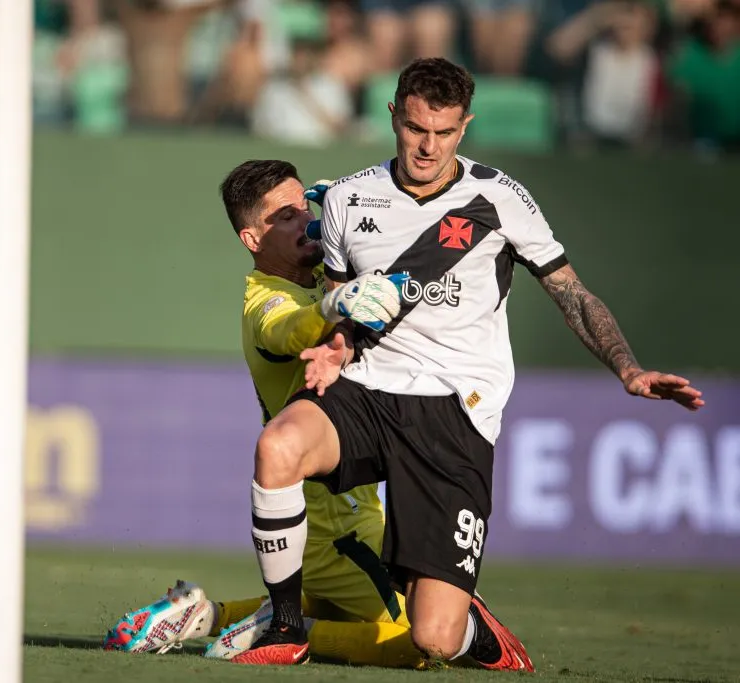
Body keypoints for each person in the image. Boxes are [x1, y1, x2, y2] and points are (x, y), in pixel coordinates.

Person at [234, 57, 705, 668]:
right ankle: (285, 630)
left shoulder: (499, 198)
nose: (427, 147)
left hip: (456, 412)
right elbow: (348, 303)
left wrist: (628, 368)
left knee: (432, 637)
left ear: (466, 126)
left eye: (444, 132)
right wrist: (336, 345)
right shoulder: (350, 199)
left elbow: (572, 292)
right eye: (414, 128)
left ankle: (481, 638)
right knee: (278, 448)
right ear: (393, 116)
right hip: (370, 391)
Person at [101, 159, 447, 668]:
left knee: (432, 617)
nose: (305, 220)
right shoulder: (263, 300)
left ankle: (207, 616)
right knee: (428, 644)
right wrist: (336, 306)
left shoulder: (329, 275)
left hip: (362, 512)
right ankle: (286, 627)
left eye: (304, 206)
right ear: (251, 238)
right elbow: (290, 330)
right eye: (284, 217)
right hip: (329, 530)